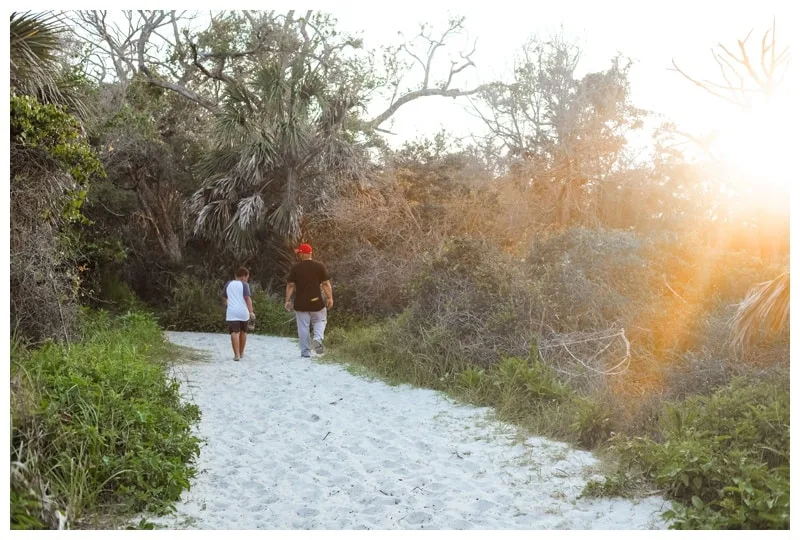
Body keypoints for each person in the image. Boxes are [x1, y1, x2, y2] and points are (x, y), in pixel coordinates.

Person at [285, 243, 333, 358]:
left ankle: (305, 352)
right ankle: (317, 338)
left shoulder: (296, 268)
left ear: (302, 253)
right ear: (311, 253)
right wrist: (330, 297)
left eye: (299, 253)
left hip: (301, 303)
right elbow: (326, 284)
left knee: (303, 327)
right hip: (317, 302)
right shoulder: (320, 266)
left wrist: (287, 300)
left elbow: (291, 285)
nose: (299, 255)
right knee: (320, 321)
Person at [223, 267, 255, 361]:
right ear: (244, 276)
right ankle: (241, 353)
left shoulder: (228, 284)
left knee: (234, 332)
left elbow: (224, 298)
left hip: (232, 311)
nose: (247, 279)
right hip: (243, 312)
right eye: (247, 277)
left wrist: (229, 305)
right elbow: (247, 298)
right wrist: (251, 311)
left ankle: (236, 355)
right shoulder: (245, 285)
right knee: (243, 332)